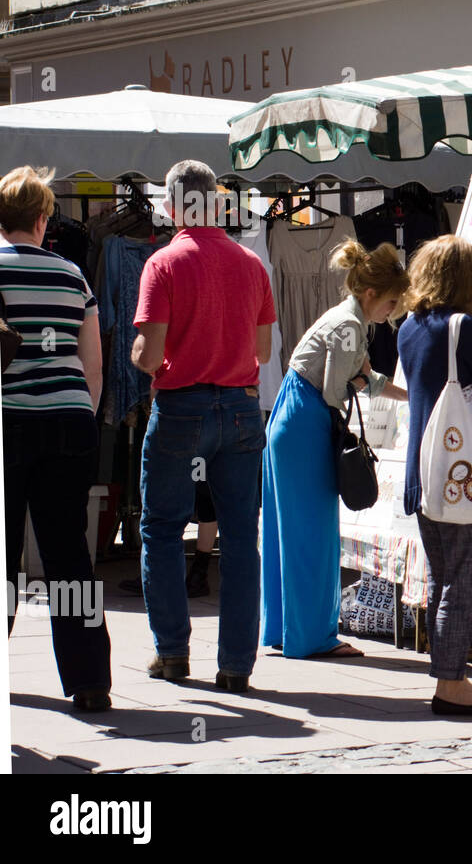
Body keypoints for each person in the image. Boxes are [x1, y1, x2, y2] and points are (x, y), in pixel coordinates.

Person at [132, 160, 274, 693]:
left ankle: (172, 652)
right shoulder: (250, 264)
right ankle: (236, 665)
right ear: (216, 202)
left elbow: (148, 356)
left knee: (163, 529)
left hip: (181, 407)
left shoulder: (163, 263)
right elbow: (262, 351)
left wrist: (140, 353)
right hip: (239, 407)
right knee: (241, 537)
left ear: (172, 206)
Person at [261, 239, 408, 659]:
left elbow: (363, 380)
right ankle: (312, 637)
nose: (392, 312)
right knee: (313, 532)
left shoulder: (345, 319)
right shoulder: (351, 327)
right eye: (391, 303)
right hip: (308, 419)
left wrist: (391, 388)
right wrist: (366, 380)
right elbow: (336, 389)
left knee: (285, 529)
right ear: (371, 294)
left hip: (292, 416)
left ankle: (284, 628)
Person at [1, 165, 113, 712]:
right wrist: (81, 416)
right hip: (70, 421)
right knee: (69, 555)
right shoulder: (73, 276)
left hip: (7, 421)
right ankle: (90, 679)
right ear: (44, 218)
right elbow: (93, 366)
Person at [399, 235, 472, 716]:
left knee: (442, 577)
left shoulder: (408, 326)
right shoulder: (464, 326)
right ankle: (450, 683)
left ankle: (452, 676)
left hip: (422, 471)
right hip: (458, 473)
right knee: (465, 582)